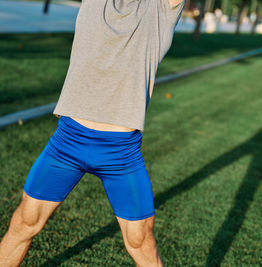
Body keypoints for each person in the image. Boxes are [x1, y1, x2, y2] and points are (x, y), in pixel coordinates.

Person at [0, 0, 185, 266]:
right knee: (23, 223)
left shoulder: (161, 9)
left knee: (140, 241)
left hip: (121, 154)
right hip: (68, 142)